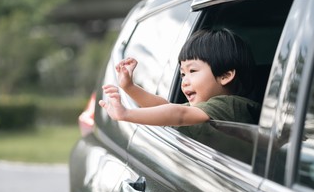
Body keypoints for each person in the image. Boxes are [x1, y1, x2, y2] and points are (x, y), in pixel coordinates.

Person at [99, 28, 261, 129]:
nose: (184, 80)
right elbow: (166, 107)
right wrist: (129, 87)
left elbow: (178, 114)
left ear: (225, 76)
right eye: (183, 74)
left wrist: (127, 114)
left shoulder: (231, 105)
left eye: (192, 71)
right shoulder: (205, 107)